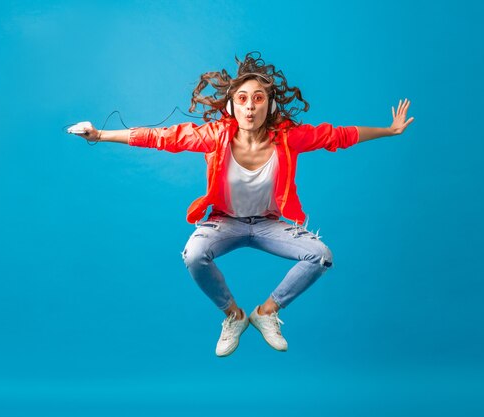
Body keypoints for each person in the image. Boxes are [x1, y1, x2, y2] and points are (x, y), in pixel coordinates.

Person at [73, 52, 414, 356]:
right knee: (193, 254)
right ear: (232, 105)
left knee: (321, 256)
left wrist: (389, 130)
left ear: (270, 105)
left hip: (269, 224)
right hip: (226, 222)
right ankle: (234, 317)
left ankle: (265, 314)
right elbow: (161, 138)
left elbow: (337, 135)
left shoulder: (288, 139)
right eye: (242, 98)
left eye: (258, 98)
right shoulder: (214, 137)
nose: (250, 106)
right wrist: (100, 135)